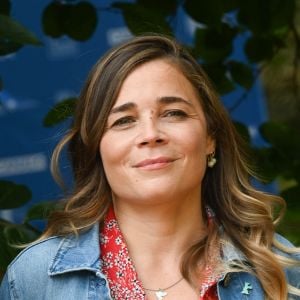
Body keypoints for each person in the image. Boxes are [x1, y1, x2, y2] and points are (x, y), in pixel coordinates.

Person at [1, 34, 300, 300]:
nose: (150, 134)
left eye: (173, 113)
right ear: (96, 149)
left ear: (211, 137)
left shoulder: (280, 270)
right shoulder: (35, 280)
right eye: (124, 121)